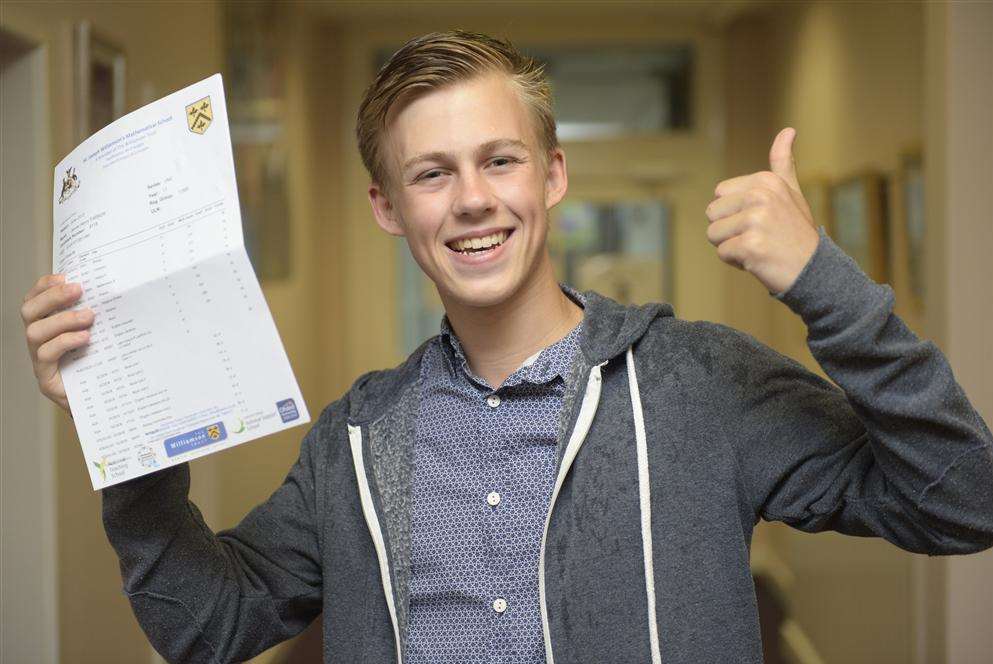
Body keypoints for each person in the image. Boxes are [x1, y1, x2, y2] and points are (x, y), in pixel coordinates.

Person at [20, 30, 993, 664]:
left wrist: (823, 279)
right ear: (388, 207)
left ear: (553, 174)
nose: (473, 198)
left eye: (500, 159)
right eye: (432, 173)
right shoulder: (357, 435)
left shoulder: (701, 381)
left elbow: (961, 499)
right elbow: (208, 623)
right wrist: (126, 418)